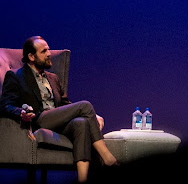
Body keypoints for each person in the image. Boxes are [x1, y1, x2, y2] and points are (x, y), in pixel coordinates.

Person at [0, 36, 118, 182]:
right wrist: (21, 113)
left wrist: (90, 116)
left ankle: (82, 180)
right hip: (39, 119)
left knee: (81, 123)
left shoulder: (53, 78)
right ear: (31, 56)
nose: (49, 54)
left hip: (58, 122)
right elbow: (5, 105)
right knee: (85, 105)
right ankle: (108, 159)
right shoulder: (16, 76)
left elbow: (65, 105)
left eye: (48, 50)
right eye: (44, 51)